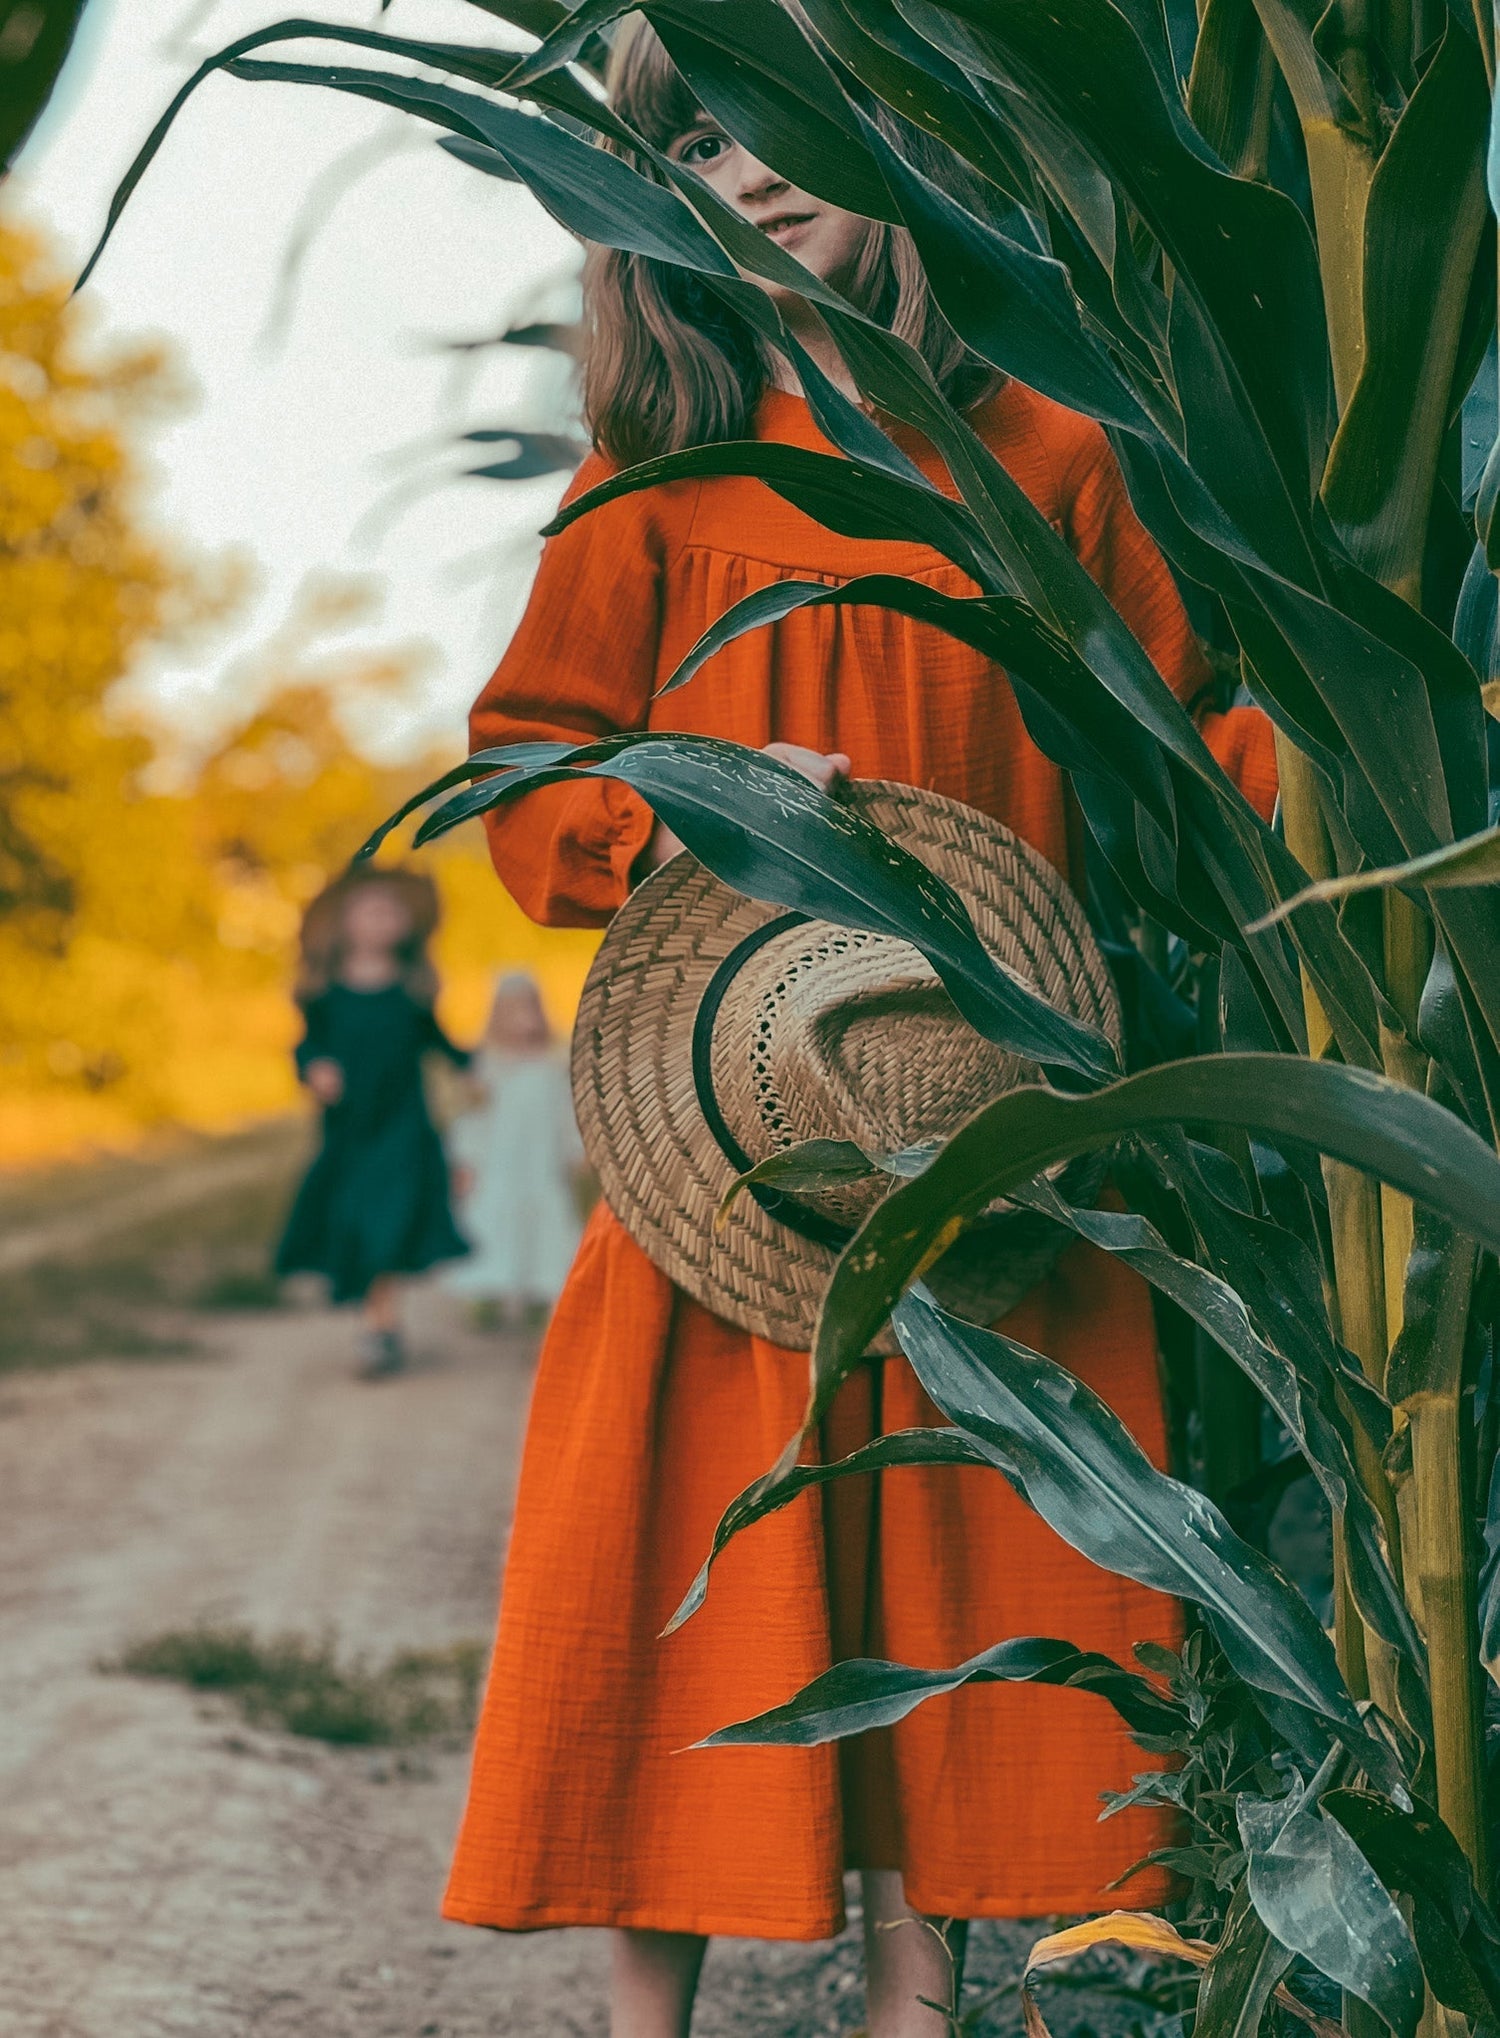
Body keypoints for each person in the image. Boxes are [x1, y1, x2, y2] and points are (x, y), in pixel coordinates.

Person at [444, 21, 1280, 2036]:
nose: (743, 169)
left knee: (975, 1535)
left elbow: (1196, 738)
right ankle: (647, 2011)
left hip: (984, 1099)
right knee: (679, 1549)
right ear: (645, 205)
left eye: (775, 121)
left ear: (889, 136)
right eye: (690, 144)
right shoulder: (651, 487)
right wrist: (670, 816)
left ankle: (923, 1996)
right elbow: (527, 761)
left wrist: (1361, 763)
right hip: (731, 1130)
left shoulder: (1052, 455)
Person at [276, 865, 471, 1378]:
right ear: (345, 922)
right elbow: (306, 1046)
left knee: (389, 1218)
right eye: (370, 911)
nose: (381, 920)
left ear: (406, 924)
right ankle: (376, 1319)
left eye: (390, 912)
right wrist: (315, 1069)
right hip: (351, 1131)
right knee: (358, 1218)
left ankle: (378, 1327)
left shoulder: (411, 990)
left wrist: (478, 1067)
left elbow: (440, 1043)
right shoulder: (324, 993)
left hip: (404, 1128)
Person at [444, 970, 585, 1327]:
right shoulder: (487, 1066)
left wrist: (575, 1150)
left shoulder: (553, 1064)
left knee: (544, 1224)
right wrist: (465, 1160)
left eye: (529, 1008)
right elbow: (473, 1119)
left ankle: (540, 1290)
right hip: (498, 1168)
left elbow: (567, 1112)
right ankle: (487, 1291)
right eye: (514, 1010)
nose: (524, 1018)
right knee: (492, 1223)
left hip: (541, 1164)